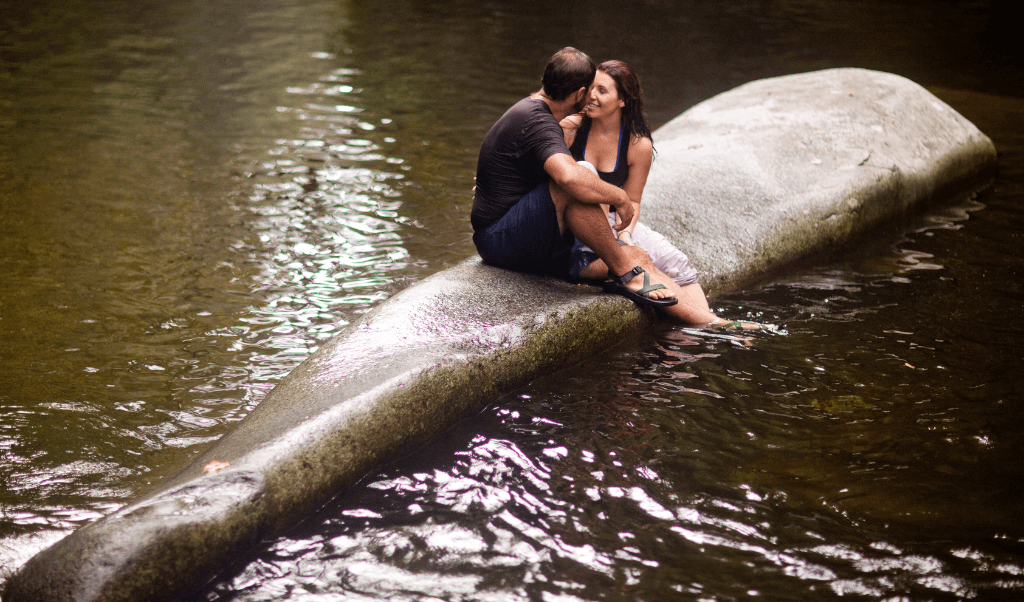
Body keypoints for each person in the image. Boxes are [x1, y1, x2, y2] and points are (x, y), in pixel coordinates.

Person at [560, 60, 767, 329]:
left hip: (615, 220)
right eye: (591, 88)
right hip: (581, 221)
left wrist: (624, 233)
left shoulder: (637, 144)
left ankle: (707, 328)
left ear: (622, 100)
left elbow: (632, 199)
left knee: (677, 263)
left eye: (602, 90)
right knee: (631, 256)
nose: (591, 96)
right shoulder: (571, 129)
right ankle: (712, 325)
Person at [471, 47, 680, 310]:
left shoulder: (532, 113)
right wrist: (620, 197)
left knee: (638, 253)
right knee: (577, 178)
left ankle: (707, 321)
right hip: (498, 242)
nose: (591, 96)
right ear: (579, 94)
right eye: (590, 90)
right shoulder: (538, 122)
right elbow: (570, 178)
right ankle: (625, 271)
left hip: (515, 232)